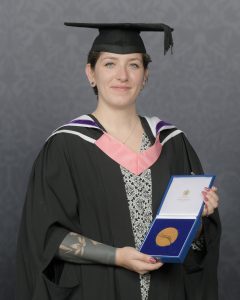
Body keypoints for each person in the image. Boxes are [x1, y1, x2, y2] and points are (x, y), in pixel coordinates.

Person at [16, 23, 221, 300]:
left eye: (134, 65)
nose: (122, 76)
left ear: (145, 75)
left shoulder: (172, 142)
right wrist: (117, 257)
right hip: (95, 290)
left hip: (166, 289)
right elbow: (43, 238)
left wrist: (200, 218)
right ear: (91, 73)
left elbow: (193, 241)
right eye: (110, 64)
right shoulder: (66, 145)